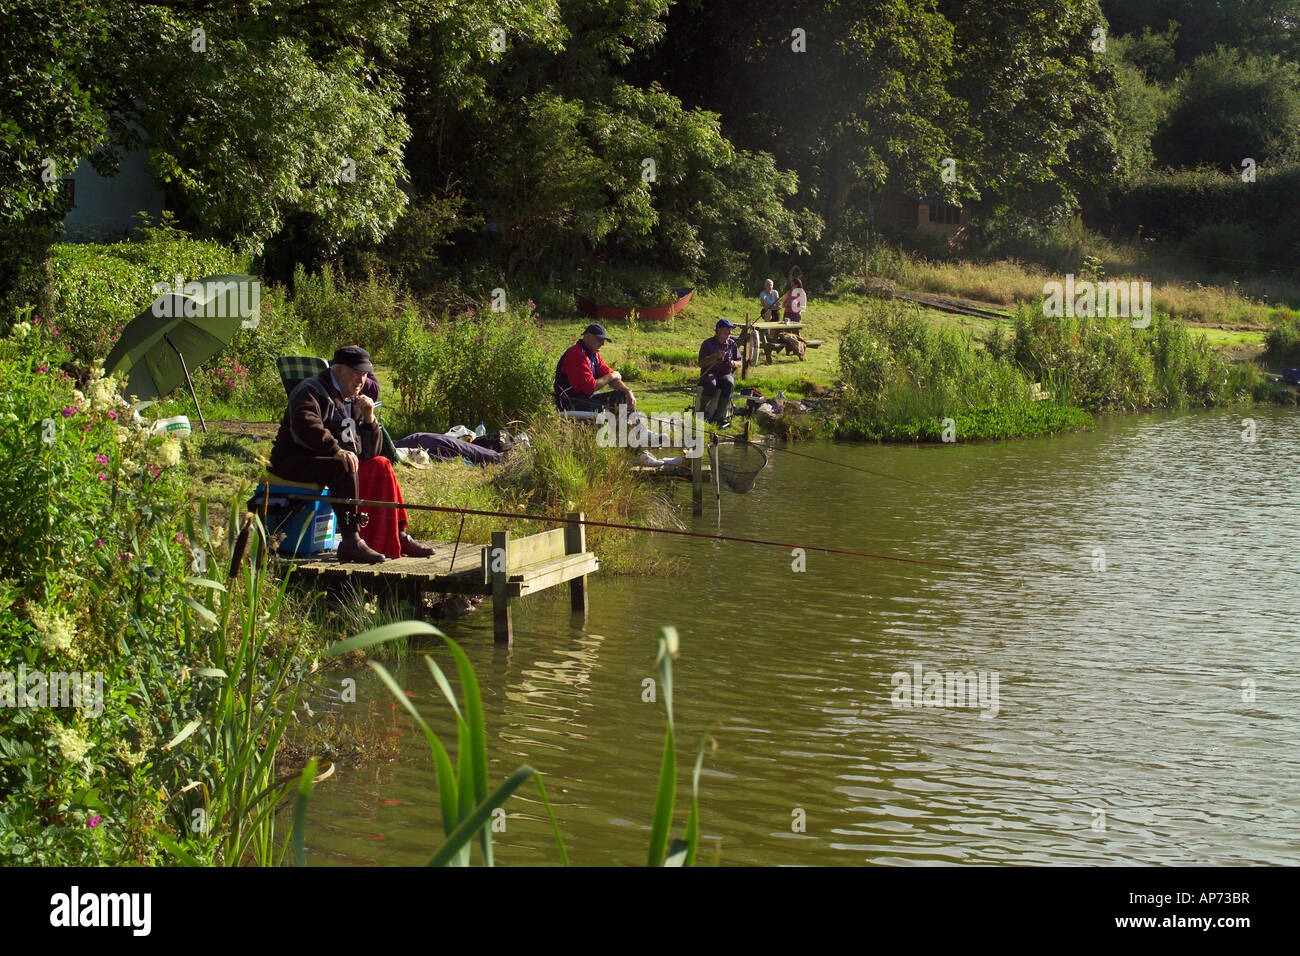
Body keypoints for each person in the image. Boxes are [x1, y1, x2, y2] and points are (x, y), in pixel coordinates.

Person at [269, 345, 433, 564]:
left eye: (364, 375)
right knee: (344, 464)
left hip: (332, 462)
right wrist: (336, 451)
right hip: (295, 460)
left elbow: (368, 452)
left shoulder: (354, 398)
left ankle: (397, 533)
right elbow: (306, 426)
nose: (361, 380)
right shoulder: (310, 390)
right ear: (338, 370)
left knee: (380, 463)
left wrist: (369, 418)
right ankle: (351, 541)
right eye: (356, 373)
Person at [553, 323, 637, 412]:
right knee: (610, 409)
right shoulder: (576, 354)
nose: (603, 344)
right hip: (570, 403)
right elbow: (590, 387)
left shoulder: (594, 355)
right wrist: (611, 376)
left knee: (622, 397)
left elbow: (610, 375)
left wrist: (628, 391)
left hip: (586, 399)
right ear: (588, 337)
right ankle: (629, 425)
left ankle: (631, 425)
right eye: (600, 339)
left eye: (603, 340)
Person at [698, 319, 741, 426]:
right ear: (718, 331)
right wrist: (715, 357)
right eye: (727, 330)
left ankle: (718, 417)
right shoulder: (707, 344)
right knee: (711, 383)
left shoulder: (732, 344)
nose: (730, 333)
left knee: (729, 383)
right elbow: (701, 363)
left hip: (725, 373)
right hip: (710, 373)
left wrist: (733, 363)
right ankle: (701, 412)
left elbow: (740, 362)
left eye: (730, 330)